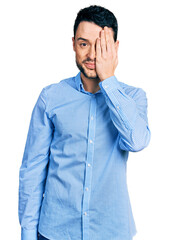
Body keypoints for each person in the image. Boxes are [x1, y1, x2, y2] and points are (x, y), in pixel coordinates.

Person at [18, 5, 151, 240]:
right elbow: (33, 170)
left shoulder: (132, 97)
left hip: (111, 232)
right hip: (55, 232)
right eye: (83, 44)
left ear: (115, 48)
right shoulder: (51, 97)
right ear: (73, 44)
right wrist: (27, 233)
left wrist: (108, 79)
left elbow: (137, 141)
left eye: (100, 46)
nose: (91, 55)